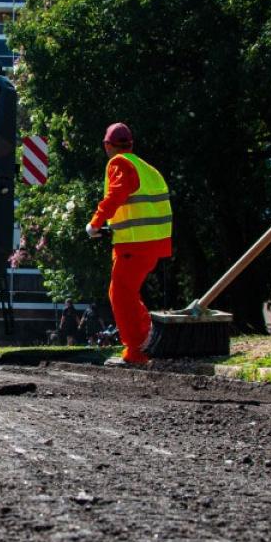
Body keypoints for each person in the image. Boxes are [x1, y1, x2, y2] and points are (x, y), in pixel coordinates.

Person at [85, 123, 172, 366]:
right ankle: (149, 338)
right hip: (153, 244)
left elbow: (116, 195)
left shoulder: (119, 163)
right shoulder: (148, 169)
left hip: (134, 244)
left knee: (120, 295)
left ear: (107, 145)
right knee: (127, 293)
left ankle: (137, 351)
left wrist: (94, 223)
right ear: (131, 143)